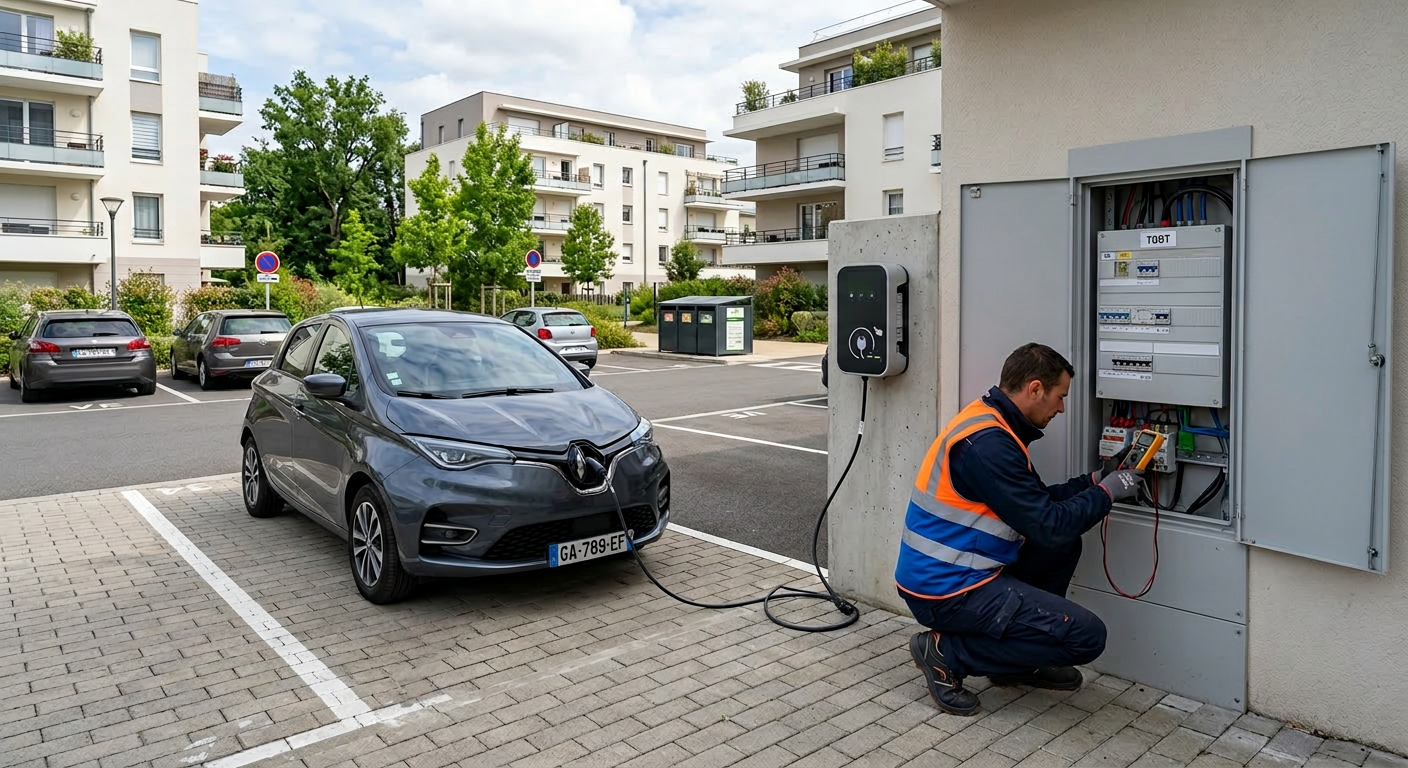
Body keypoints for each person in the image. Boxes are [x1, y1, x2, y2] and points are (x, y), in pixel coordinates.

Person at [895, 342, 1143, 716]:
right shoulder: (989, 445)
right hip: (945, 589)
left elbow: (1035, 503)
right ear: (1034, 389)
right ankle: (946, 652)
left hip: (957, 572)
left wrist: (1096, 479)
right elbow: (1048, 525)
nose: (1061, 408)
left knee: (1063, 548)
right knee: (1087, 637)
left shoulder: (991, 422)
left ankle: (1014, 663)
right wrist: (1107, 495)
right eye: (1060, 396)